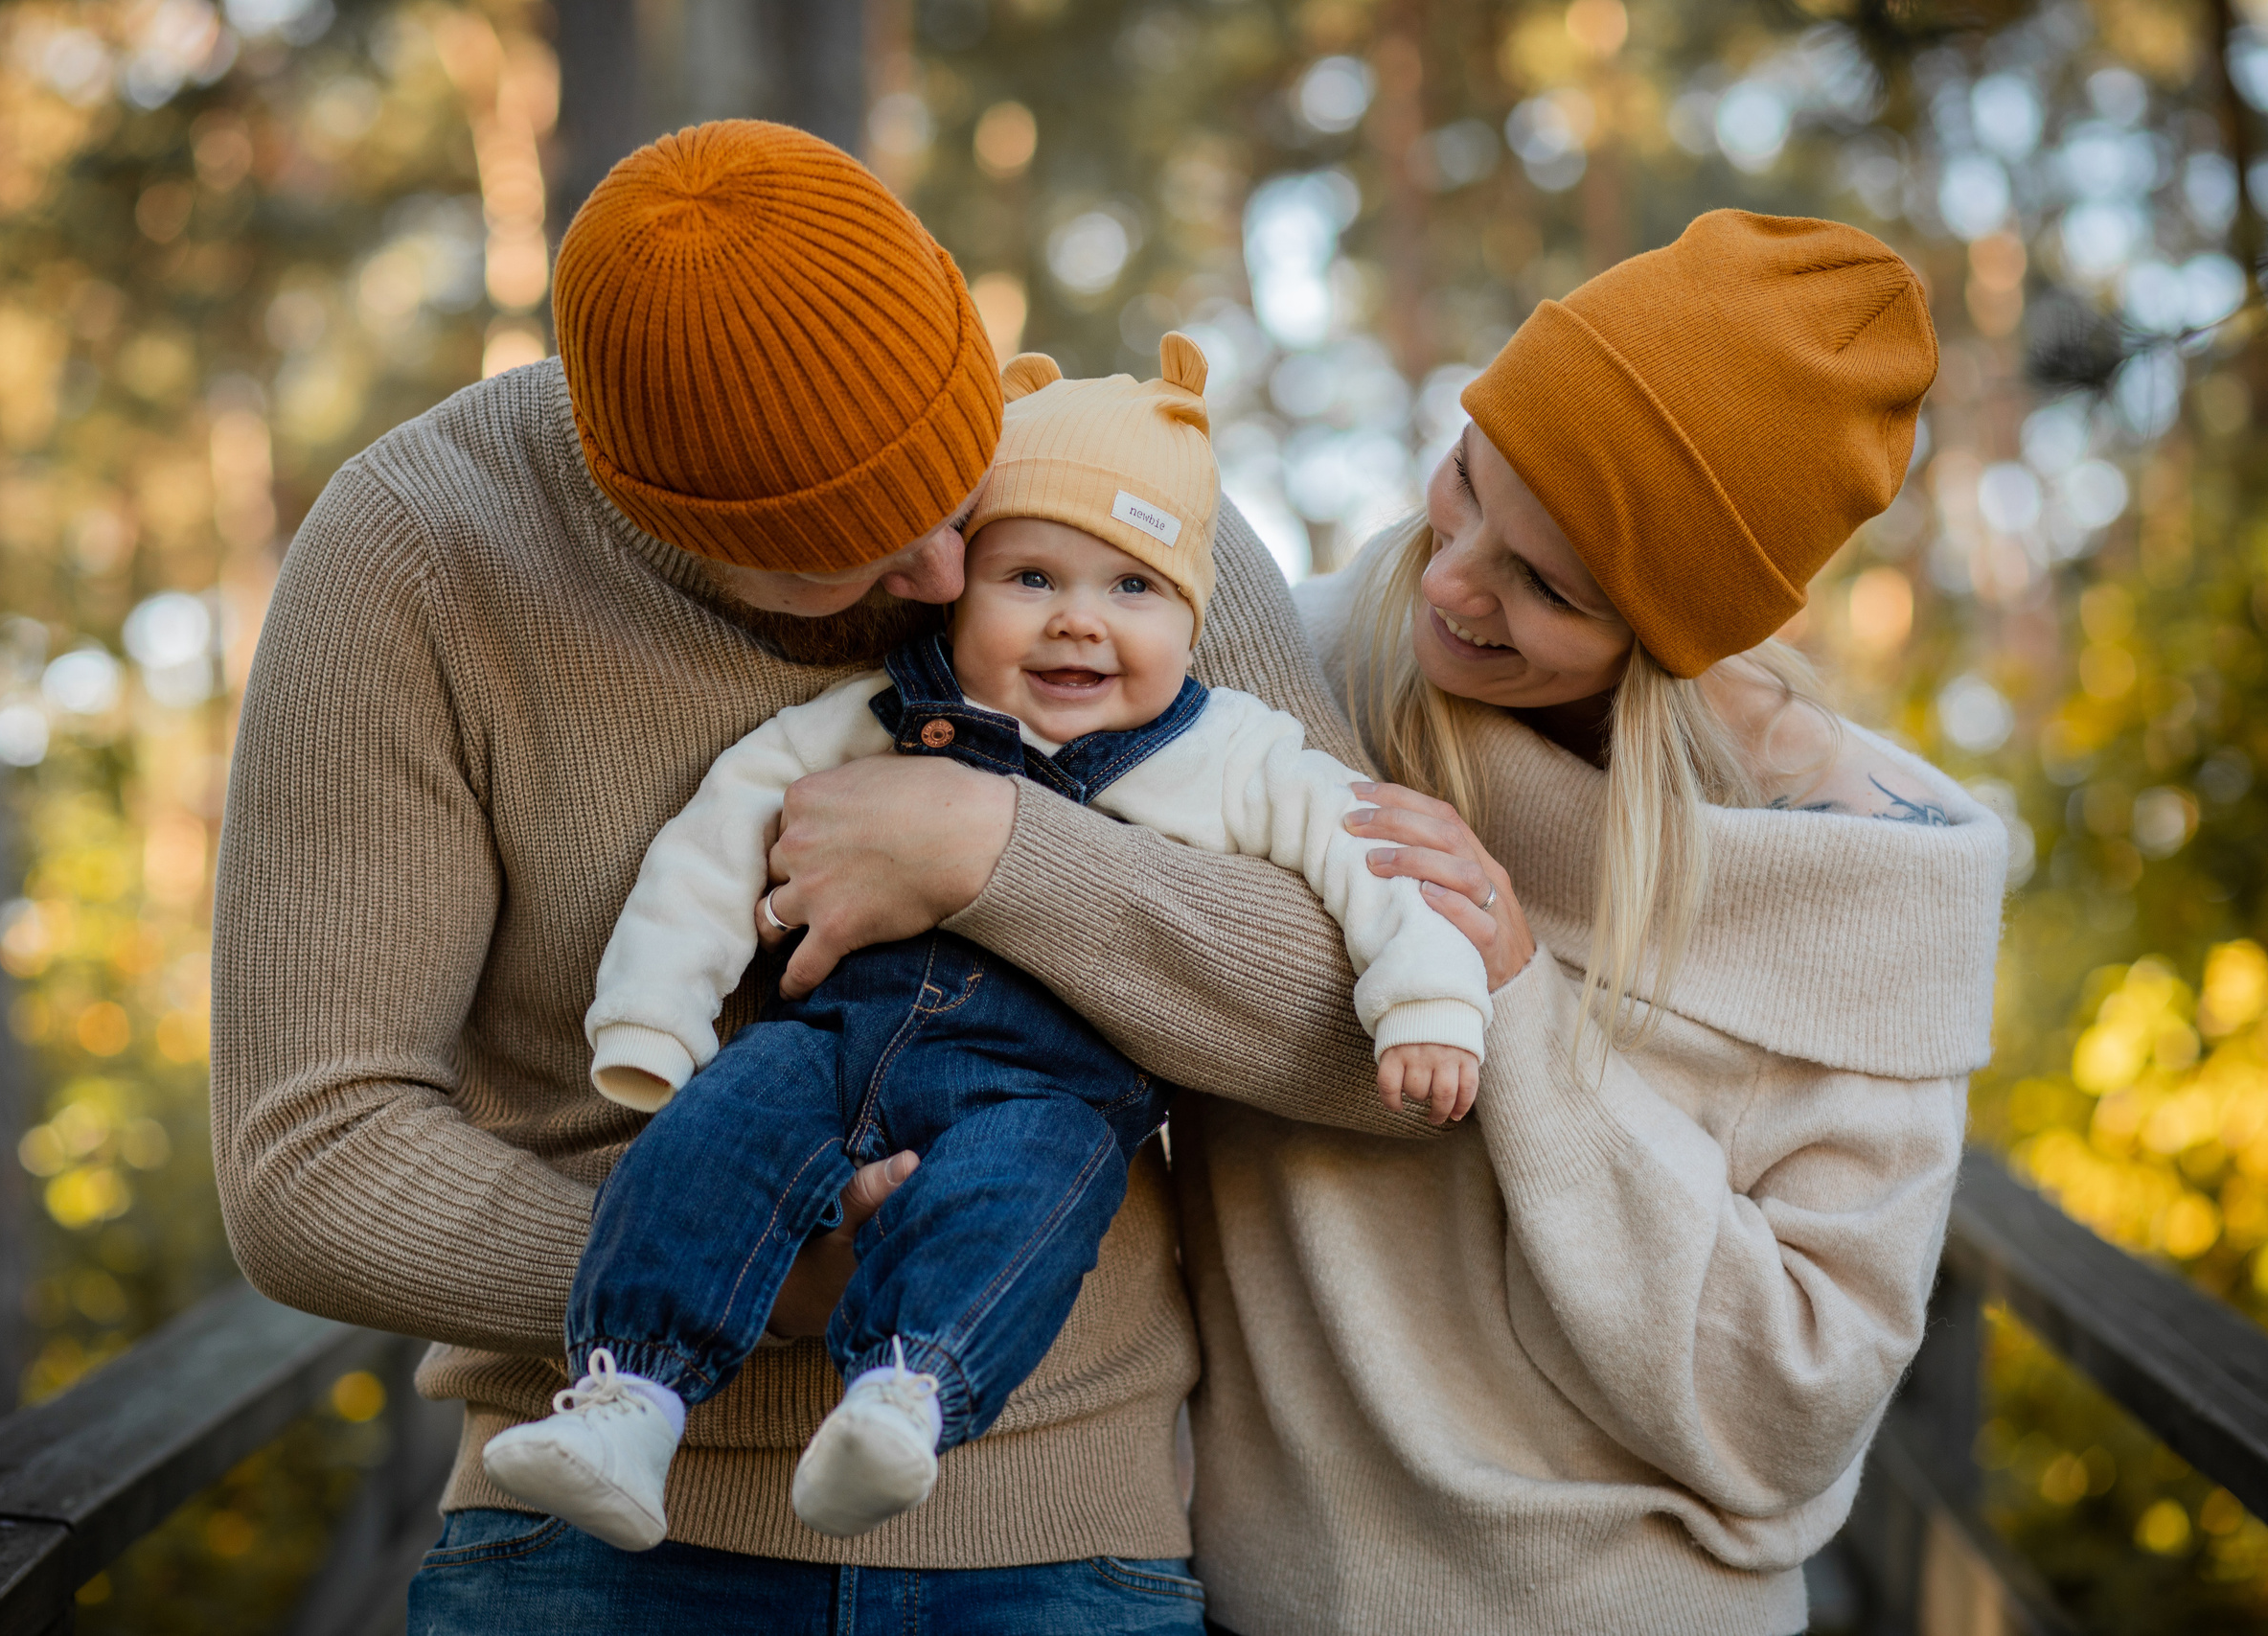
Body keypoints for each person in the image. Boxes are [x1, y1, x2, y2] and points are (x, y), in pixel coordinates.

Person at [212, 121, 1419, 1633]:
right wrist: (758, 1264)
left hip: (1058, 1543)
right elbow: (310, 1157)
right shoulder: (423, 556)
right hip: (590, 1558)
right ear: (653, 517)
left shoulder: (1117, 505)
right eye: (843, 553)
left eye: (955, 477)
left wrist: (993, 852)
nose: (940, 569)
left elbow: (1376, 1041)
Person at [479, 336, 1487, 1554]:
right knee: (707, 1138)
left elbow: (1372, 865)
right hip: (832, 1041)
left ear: (1190, 615)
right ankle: (627, 1399)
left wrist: (1427, 1006)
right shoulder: (879, 718)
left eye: (1134, 589)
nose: (1078, 623)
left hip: (1043, 1091)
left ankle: (906, 1398)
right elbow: (721, 831)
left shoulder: (1236, 753)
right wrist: (651, 1015)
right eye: (1030, 578)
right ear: (957, 589)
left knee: (1027, 1201)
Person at [1175, 211, 2010, 1636]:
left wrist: (1520, 1000)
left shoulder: (1868, 900)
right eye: (1466, 476)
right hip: (1246, 1594)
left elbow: (1794, 1404)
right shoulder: (1274, 675)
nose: (1451, 577)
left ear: (1679, 631)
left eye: (1546, 584)